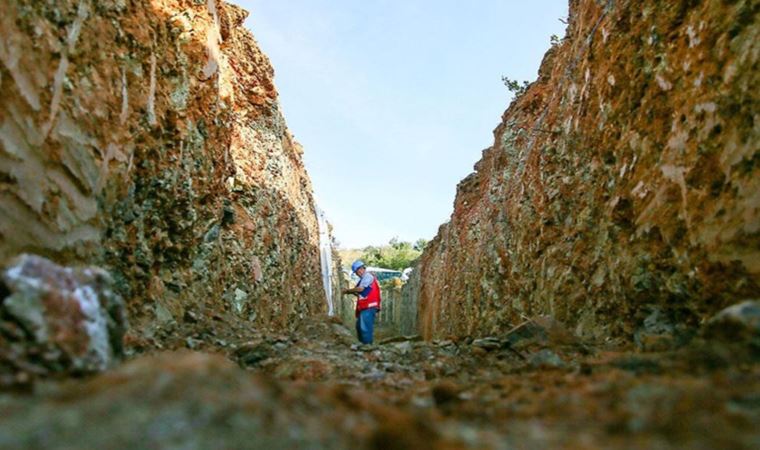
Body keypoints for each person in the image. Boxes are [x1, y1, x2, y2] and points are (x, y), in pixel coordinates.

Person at [342, 260, 382, 344]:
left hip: (369, 306)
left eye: (356, 272)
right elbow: (362, 293)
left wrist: (347, 291)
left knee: (365, 328)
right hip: (365, 306)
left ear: (360, 269)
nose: (357, 274)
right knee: (359, 327)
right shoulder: (364, 279)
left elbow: (360, 289)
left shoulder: (367, 276)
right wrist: (351, 292)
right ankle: (363, 345)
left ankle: (367, 347)